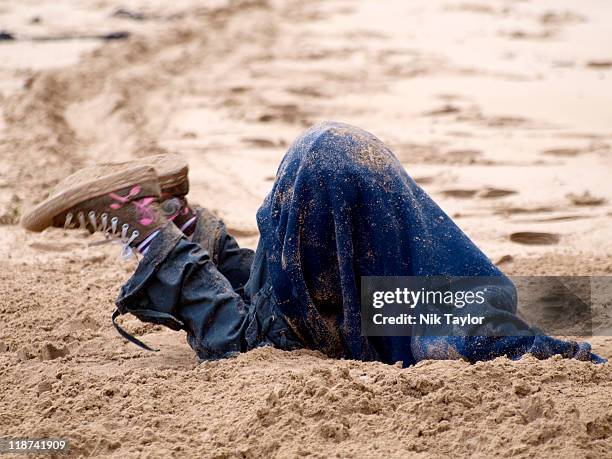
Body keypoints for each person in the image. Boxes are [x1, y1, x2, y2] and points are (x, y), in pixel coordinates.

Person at [21, 122, 606, 365]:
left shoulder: (450, 312)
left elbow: (549, 319)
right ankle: (166, 226)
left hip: (393, 293)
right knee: (269, 323)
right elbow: (537, 322)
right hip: (409, 295)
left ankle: (166, 225)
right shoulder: (445, 290)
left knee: (277, 311)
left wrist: (584, 330)